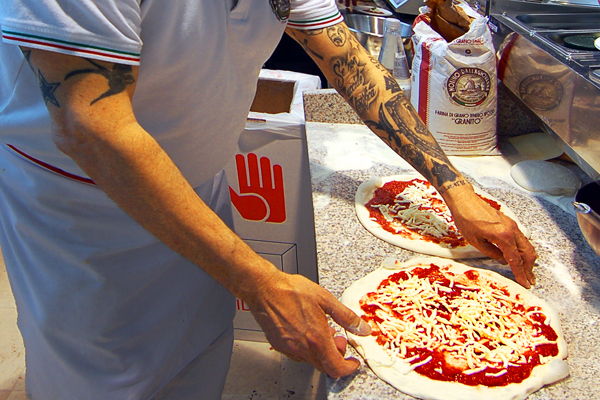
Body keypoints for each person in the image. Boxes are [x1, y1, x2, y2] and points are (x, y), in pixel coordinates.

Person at [0, 0, 536, 399]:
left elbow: (348, 62)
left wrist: (454, 187)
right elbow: (90, 126)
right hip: (81, 214)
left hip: (196, 187)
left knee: (200, 349)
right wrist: (259, 281)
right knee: (106, 379)